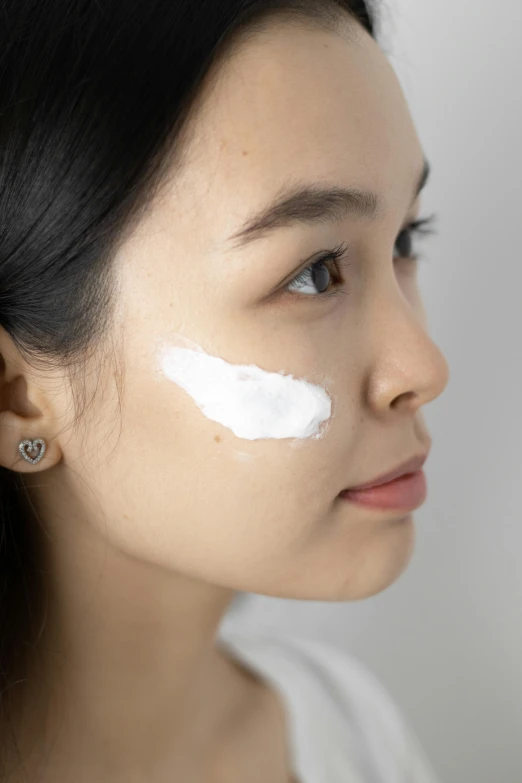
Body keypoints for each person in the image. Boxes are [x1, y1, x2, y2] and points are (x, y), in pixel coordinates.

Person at [0, 1, 450, 781]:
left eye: (406, 238)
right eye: (314, 272)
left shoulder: (355, 735)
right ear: (17, 398)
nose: (424, 367)